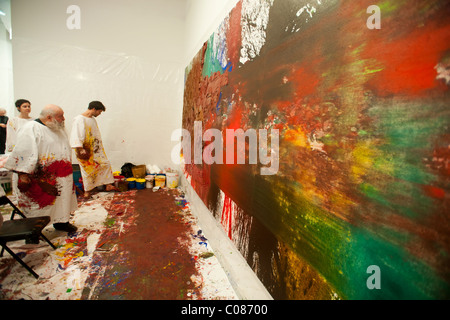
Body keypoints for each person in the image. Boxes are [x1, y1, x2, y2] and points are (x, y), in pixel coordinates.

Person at [4, 104, 78, 233]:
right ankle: (32, 231)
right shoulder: (30, 128)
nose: (64, 119)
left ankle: (62, 222)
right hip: (39, 177)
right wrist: (23, 175)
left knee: (63, 200)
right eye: (60, 116)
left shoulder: (58, 128)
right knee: (38, 206)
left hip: (61, 174)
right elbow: (23, 153)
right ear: (49, 117)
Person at [70, 101, 115, 198]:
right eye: (99, 111)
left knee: (105, 164)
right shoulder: (79, 119)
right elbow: (76, 134)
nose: (99, 114)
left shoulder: (92, 120)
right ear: (94, 109)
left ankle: (108, 185)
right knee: (87, 170)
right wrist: (80, 148)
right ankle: (87, 191)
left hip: (95, 149)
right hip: (83, 150)